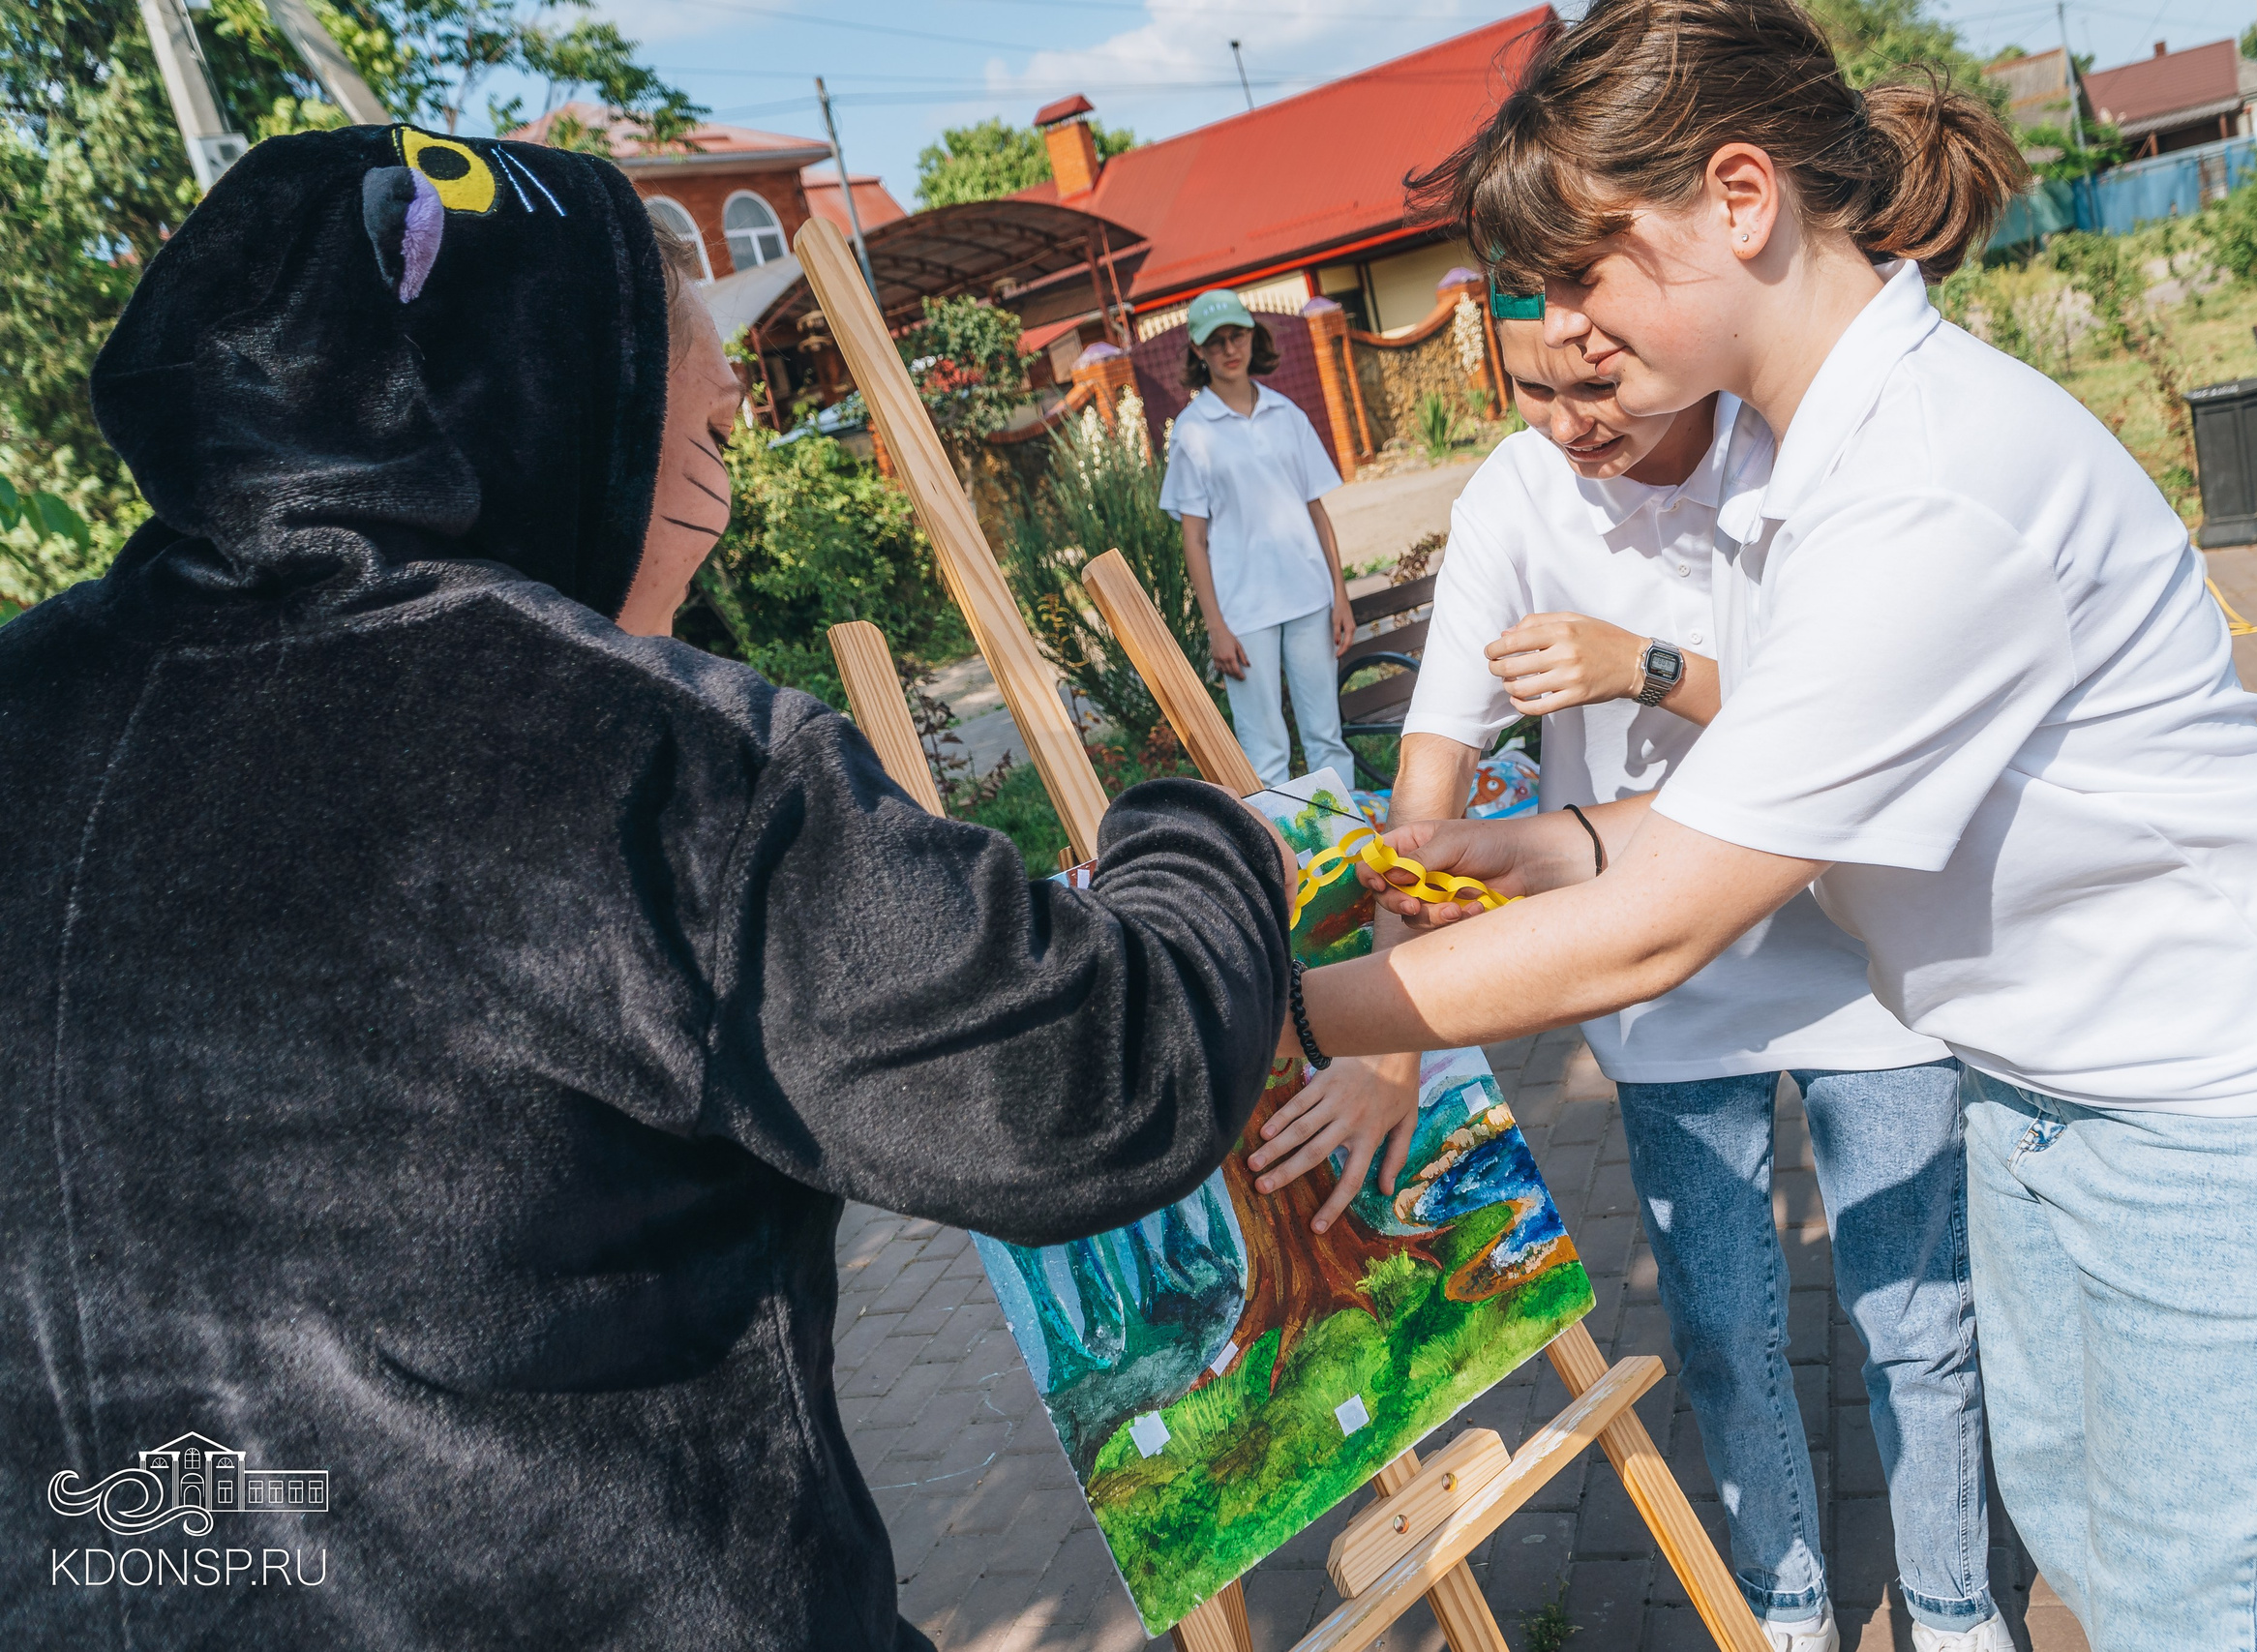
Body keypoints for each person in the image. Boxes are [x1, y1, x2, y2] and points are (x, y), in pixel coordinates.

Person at [1, 126, 1291, 1648]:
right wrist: (1206, 839)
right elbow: (1099, 1074)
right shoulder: (606, 744)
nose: (738, 395)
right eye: (680, 360)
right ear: (544, 384)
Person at [1279, 5, 2257, 1650]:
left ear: (1739, 199)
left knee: (2227, 1619)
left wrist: (1241, 1018)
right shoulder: (1800, 456)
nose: (1572, 327)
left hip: (2227, 1112)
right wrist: (1555, 847)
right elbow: (1763, 800)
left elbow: (1670, 923)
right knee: (2127, 1582)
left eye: (1588, 268)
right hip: (2072, 1090)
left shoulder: (1914, 481)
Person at [1396, 282, 1992, 1651]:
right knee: (1722, 1331)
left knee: (1917, 1319)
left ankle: (1955, 1608)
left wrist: (1642, 662)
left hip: (1856, 949)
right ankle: (1785, 1600)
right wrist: (1411, 878)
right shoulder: (1515, 493)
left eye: (1589, 387)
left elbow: (1857, 705)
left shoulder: (1784, 449)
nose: (1565, 424)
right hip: (1661, 985)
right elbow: (1434, 743)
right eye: (1529, 391)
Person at [1161, 288, 1355, 788]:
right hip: (1243, 615)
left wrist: (1340, 596)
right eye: (1217, 341)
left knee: (1326, 740)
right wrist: (1216, 627)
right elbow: (1194, 541)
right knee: (1265, 753)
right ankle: (1282, 864)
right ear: (1198, 353)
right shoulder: (1192, 431)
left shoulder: (1286, 415)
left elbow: (1317, 513)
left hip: (1310, 598)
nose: (1230, 349)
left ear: (1252, 338)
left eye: (1237, 335)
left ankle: (1353, 854)